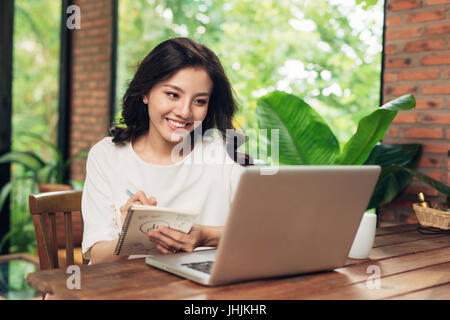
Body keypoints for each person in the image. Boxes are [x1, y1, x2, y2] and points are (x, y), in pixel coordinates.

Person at [81, 37, 252, 264]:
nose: (184, 111)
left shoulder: (222, 151)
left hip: (201, 291)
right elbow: (98, 257)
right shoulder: (106, 156)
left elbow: (264, 231)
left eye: (199, 101)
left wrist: (204, 236)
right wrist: (130, 235)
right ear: (145, 93)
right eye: (172, 94)